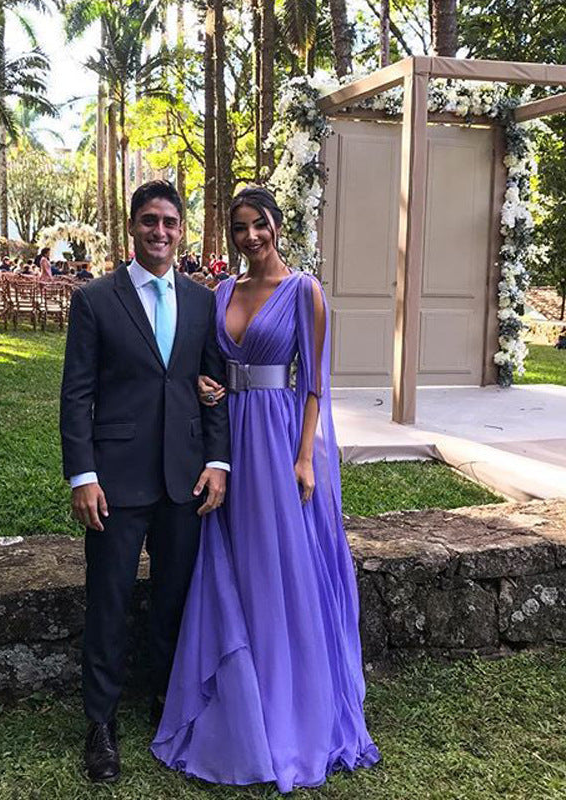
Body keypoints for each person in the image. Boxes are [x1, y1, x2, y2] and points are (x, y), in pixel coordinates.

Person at [151, 185, 380, 792]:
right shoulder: (223, 291)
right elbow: (216, 365)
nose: (251, 236)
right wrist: (211, 388)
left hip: (280, 440)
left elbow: (315, 383)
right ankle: (237, 697)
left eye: (260, 225)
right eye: (239, 228)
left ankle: (290, 702)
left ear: (277, 225)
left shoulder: (306, 291)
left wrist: (306, 457)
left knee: (284, 564)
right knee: (236, 560)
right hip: (231, 440)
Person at [60, 180, 230, 784]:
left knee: (174, 601)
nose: (160, 231)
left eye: (170, 222)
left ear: (182, 230)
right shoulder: (95, 300)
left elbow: (212, 390)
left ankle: (167, 702)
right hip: (115, 481)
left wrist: (219, 462)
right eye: (149, 221)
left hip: (185, 481)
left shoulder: (203, 301)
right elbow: (77, 395)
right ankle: (100, 724)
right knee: (108, 603)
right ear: (132, 226)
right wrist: (83, 474)